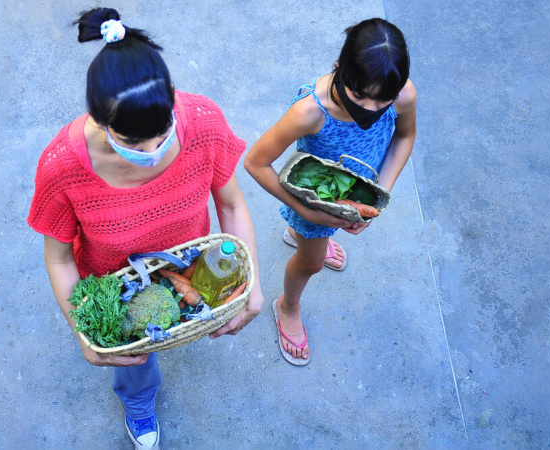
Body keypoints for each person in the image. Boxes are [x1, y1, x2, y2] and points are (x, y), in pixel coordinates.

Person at [26, 8, 263, 449]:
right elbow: (58, 256)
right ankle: (137, 399)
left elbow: (230, 202)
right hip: (114, 282)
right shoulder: (62, 167)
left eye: (163, 133)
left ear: (172, 99)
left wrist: (251, 284)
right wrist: (85, 334)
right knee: (135, 360)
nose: (154, 152)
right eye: (135, 144)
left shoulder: (204, 123)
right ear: (98, 120)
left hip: (192, 262)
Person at [244, 18, 417, 365]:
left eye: (381, 101)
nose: (369, 111)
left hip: (351, 193)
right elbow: (255, 162)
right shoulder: (310, 112)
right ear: (339, 69)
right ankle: (288, 305)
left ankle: (300, 236)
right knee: (312, 263)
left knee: (315, 247)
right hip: (316, 198)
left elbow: (404, 136)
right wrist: (308, 213)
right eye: (358, 96)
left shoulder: (402, 95)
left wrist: (377, 197)